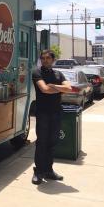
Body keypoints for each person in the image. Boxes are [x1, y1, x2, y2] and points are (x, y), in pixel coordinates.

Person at [31, 50, 72, 185]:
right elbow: (44, 89)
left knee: (52, 142)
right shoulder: (37, 72)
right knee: (42, 142)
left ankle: (48, 170)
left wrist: (54, 86)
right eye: (43, 58)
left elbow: (69, 88)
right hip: (43, 113)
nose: (45, 60)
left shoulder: (58, 74)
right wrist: (60, 89)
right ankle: (38, 171)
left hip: (56, 113)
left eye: (48, 58)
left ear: (53, 60)